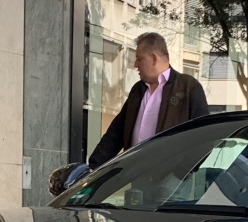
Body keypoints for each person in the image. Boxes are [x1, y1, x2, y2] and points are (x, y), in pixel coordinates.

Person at [87, 32, 209, 168]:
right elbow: (116, 132)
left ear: (154, 59)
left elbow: (204, 136)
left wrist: (181, 171)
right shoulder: (138, 90)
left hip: (171, 181)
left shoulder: (188, 87)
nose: (135, 65)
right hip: (135, 176)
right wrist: (93, 167)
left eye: (139, 59)